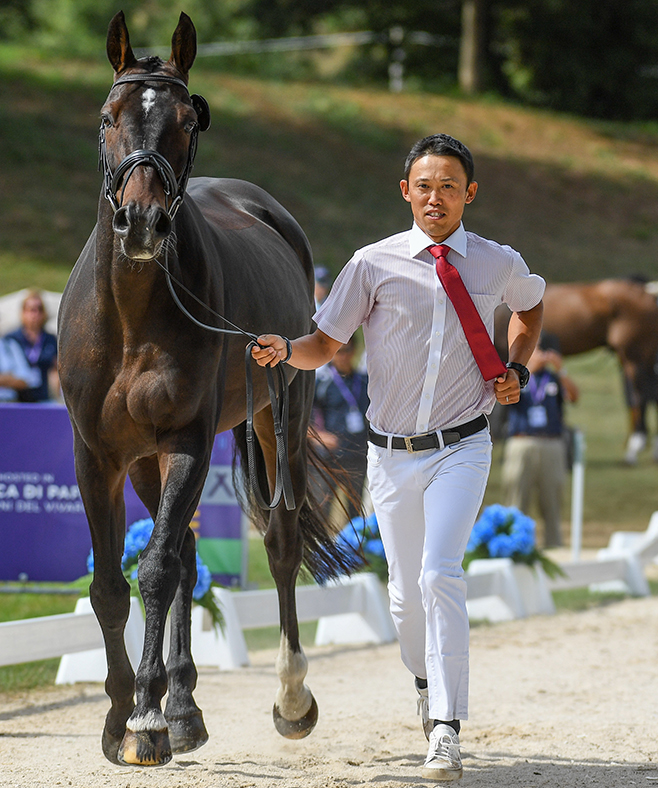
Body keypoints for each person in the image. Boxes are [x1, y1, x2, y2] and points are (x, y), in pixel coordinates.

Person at [251, 133, 545, 782]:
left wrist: (517, 365)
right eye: (424, 185)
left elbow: (530, 307)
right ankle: (424, 679)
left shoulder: (498, 262)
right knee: (405, 600)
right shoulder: (372, 264)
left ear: (469, 193)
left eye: (448, 186)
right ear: (405, 191)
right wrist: (283, 349)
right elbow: (325, 344)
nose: (434, 197)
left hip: (462, 447)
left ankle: (446, 727)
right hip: (389, 457)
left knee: (441, 574)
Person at [500, 332, 578, 549]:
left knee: (552, 498)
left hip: (551, 442)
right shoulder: (514, 376)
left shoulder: (553, 378)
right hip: (522, 441)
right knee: (516, 496)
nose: (540, 355)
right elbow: (504, 401)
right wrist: (528, 369)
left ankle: (554, 546)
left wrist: (560, 369)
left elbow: (574, 396)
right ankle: (514, 546)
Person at [310, 333, 371, 529]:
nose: (343, 356)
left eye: (347, 351)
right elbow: (301, 421)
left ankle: (355, 555)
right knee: (322, 510)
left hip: (357, 456)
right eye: (339, 352)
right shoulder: (321, 382)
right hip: (329, 458)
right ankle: (320, 555)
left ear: (354, 351)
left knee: (355, 514)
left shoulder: (364, 381)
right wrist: (319, 437)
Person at [2, 293, 56, 402]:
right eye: (31, 309)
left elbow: (55, 368)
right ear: (23, 312)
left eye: (39, 309)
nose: (35, 314)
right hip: (16, 399)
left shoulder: (51, 339)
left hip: (43, 398)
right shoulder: (11, 339)